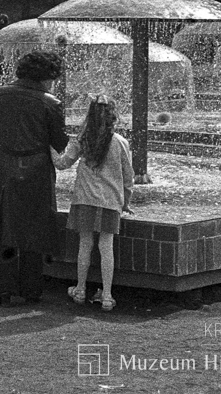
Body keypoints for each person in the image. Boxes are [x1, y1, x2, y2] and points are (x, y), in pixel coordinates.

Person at [0, 51, 70, 307]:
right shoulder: (51, 103)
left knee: (4, 228)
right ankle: (31, 290)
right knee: (35, 227)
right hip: (36, 170)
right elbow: (60, 142)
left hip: (0, 167)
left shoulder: (0, 94)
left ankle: (2, 290)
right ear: (47, 77)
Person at [52, 96, 134, 312]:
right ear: (113, 117)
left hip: (84, 200)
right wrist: (126, 203)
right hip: (110, 202)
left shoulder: (81, 140)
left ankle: (80, 289)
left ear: (89, 116)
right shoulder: (120, 143)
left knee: (85, 244)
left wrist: (48, 147)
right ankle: (107, 295)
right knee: (106, 247)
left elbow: (62, 164)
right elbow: (128, 177)